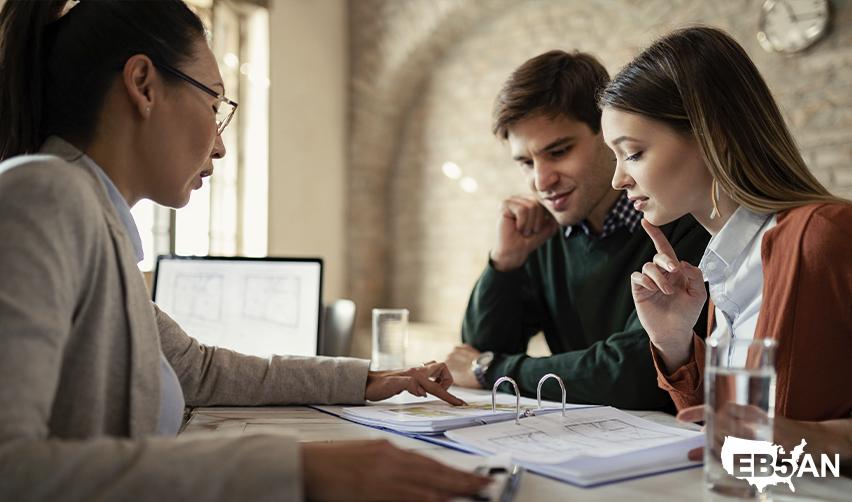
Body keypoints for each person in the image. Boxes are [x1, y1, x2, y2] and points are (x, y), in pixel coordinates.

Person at [0, 1, 490, 500]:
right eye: (213, 104)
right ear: (144, 84)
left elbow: (200, 370)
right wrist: (295, 469)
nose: (220, 146)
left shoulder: (96, 227)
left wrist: (368, 379)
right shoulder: (44, 197)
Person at [598, 26, 852, 466]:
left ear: (710, 135)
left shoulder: (824, 236)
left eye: (633, 153)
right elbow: (724, 435)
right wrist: (674, 340)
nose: (618, 180)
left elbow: (775, 439)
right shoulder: (722, 265)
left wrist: (813, 439)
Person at [445, 50, 710, 409]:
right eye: (525, 162)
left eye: (558, 151)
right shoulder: (543, 234)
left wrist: (491, 370)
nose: (541, 181)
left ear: (608, 133)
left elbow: (634, 373)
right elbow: (477, 352)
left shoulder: (683, 218)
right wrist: (504, 264)